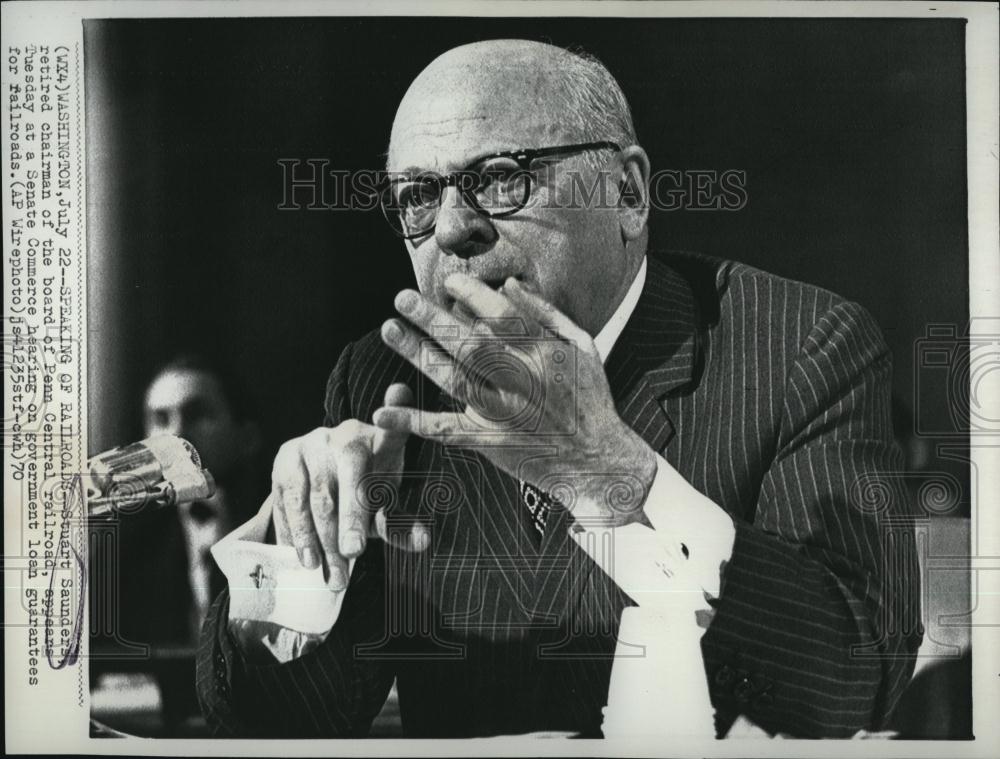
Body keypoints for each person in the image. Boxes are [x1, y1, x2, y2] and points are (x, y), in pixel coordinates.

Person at [196, 39, 921, 739]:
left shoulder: (800, 348)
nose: (451, 229)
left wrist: (618, 481)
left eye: (501, 177)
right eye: (417, 195)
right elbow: (277, 726)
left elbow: (851, 689)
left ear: (628, 194)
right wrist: (308, 565)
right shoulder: (386, 384)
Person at [90, 354, 264, 728]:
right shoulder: (118, 549)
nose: (177, 434)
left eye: (199, 414)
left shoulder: (284, 529)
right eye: (160, 419)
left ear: (247, 437)